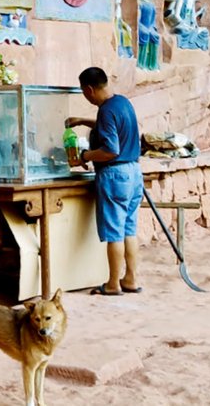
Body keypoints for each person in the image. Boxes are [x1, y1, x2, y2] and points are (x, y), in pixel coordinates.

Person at [65, 67, 142, 296]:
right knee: (129, 229)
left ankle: (112, 283)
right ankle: (131, 279)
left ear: (89, 89)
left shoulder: (106, 111)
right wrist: (83, 121)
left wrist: (84, 156)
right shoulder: (122, 103)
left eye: (84, 93)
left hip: (114, 175)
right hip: (134, 172)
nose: (86, 97)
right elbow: (113, 127)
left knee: (114, 233)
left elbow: (110, 150)